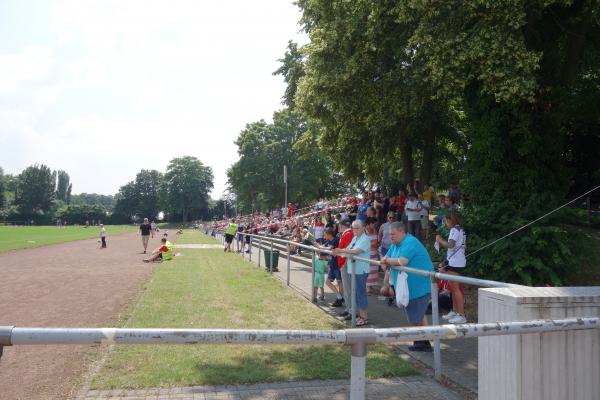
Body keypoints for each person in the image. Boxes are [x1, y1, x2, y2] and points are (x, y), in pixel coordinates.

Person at [380, 221, 434, 351]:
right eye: (389, 234)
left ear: (402, 232)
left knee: (417, 316)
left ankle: (423, 342)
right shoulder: (395, 244)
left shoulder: (410, 242)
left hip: (420, 286)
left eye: (393, 234)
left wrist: (387, 261)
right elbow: (386, 259)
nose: (390, 237)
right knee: (417, 315)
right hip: (409, 286)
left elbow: (402, 261)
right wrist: (386, 266)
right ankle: (423, 341)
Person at [332, 220, 373, 327]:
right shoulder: (355, 238)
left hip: (360, 271)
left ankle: (364, 317)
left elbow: (356, 251)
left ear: (363, 228)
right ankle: (360, 315)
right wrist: (340, 251)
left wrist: (340, 251)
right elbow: (348, 249)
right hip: (352, 270)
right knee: (355, 293)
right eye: (353, 228)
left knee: (360, 294)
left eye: (357, 228)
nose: (354, 230)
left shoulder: (365, 239)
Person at [435, 212, 467, 324]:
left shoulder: (454, 230)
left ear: (451, 220)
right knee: (453, 288)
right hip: (457, 261)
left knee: (456, 289)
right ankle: (454, 311)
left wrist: (439, 240)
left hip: (455, 263)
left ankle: (461, 315)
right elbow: (464, 246)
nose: (445, 223)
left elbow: (450, 245)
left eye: (446, 221)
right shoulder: (461, 230)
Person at [315, 228, 344, 307]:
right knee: (328, 282)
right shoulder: (328, 241)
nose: (324, 236)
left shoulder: (336, 240)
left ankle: (340, 300)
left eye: (325, 234)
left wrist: (320, 247)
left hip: (337, 265)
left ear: (329, 234)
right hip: (331, 265)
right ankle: (339, 297)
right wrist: (319, 247)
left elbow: (330, 248)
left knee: (339, 282)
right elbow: (324, 251)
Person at [365, 217, 379, 295]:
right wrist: (372, 244)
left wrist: (376, 244)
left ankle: (371, 286)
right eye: (374, 224)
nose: (375, 225)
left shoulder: (375, 230)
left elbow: (376, 241)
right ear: (369, 224)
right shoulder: (365, 232)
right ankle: (368, 287)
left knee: (374, 271)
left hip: (375, 253)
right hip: (368, 254)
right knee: (369, 271)